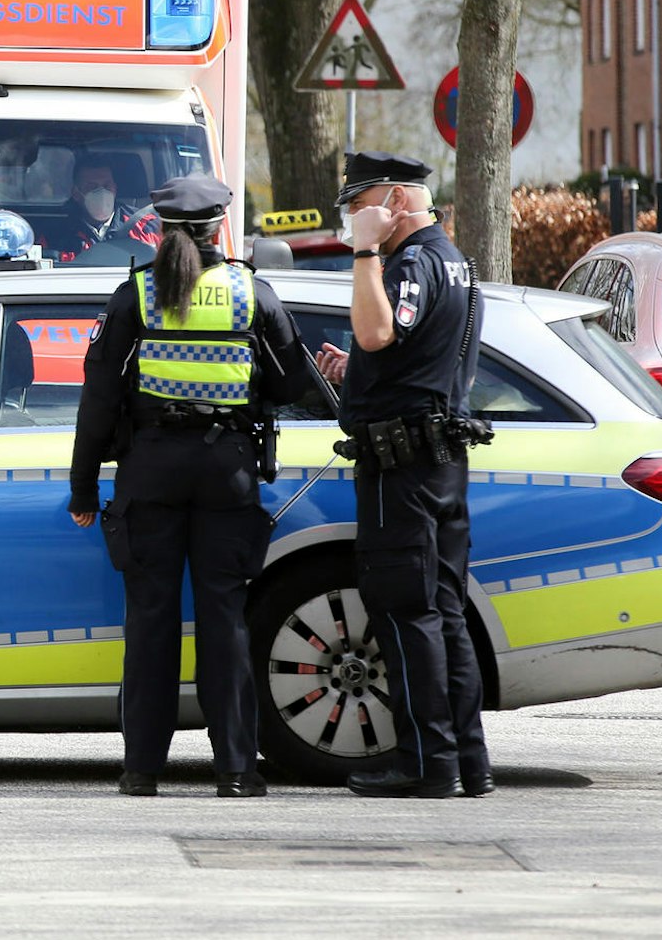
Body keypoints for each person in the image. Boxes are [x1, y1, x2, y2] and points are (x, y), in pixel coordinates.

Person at [67, 175, 318, 798]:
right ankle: (235, 770)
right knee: (224, 622)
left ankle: (141, 770)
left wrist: (81, 489)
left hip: (150, 471)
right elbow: (292, 384)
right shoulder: (251, 293)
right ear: (217, 230)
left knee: (150, 621)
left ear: (161, 229)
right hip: (227, 473)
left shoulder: (136, 297)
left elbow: (97, 401)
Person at [312, 150, 493, 800]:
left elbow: (380, 332)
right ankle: (469, 762)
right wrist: (356, 372)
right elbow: (407, 356)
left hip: (404, 471)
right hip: (440, 462)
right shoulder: (455, 260)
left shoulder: (410, 260)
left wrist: (365, 255)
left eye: (357, 205)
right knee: (443, 613)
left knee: (407, 613)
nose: (352, 218)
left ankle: (426, 762)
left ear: (390, 200)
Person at [50, 153, 161, 263]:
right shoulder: (56, 236)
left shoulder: (147, 227)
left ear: (115, 188)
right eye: (92, 187)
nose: (101, 192)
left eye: (107, 185)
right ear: (76, 194)